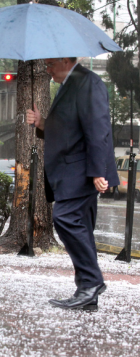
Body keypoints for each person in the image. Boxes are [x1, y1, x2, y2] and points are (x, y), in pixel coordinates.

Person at [26, 57, 119, 311]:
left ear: (66, 60)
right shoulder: (71, 83)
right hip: (74, 170)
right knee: (83, 228)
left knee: (65, 218)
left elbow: (98, 128)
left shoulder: (89, 81)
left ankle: (92, 283)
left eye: (51, 64)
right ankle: (87, 293)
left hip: (81, 170)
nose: (48, 69)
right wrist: (41, 122)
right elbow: (68, 126)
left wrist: (99, 171)